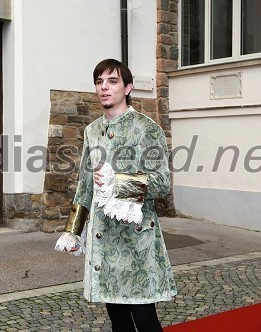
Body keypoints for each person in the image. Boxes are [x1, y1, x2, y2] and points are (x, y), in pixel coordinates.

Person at [55, 58, 177, 332]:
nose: (104, 88)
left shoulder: (147, 128)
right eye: (99, 82)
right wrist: (73, 231)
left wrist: (117, 182)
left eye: (112, 81)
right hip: (104, 241)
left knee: (144, 319)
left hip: (137, 241)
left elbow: (162, 183)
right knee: (118, 321)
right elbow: (85, 184)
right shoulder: (92, 130)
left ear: (128, 87)